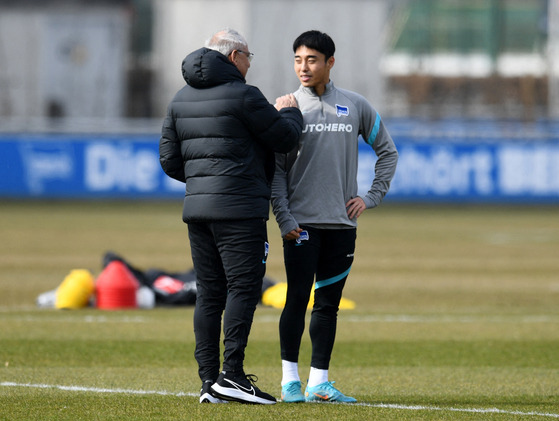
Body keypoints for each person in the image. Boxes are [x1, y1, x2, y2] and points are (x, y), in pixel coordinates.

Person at [159, 28, 303, 405]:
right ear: (235, 55)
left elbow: (169, 161)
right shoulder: (244, 95)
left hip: (198, 210)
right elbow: (286, 138)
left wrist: (206, 182)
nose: (249, 64)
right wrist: (290, 110)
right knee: (244, 287)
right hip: (240, 210)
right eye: (249, 57)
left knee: (209, 293)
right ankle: (233, 376)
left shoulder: (179, 99)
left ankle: (210, 382)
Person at [271, 30, 398, 403]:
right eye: (297, 59)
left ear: (330, 62)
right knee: (296, 299)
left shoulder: (355, 105)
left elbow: (387, 152)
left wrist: (371, 197)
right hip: (301, 226)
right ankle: (289, 382)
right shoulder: (286, 108)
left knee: (328, 305)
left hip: (342, 227)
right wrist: (284, 218)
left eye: (311, 59)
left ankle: (319, 383)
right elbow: (275, 170)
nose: (303, 67)